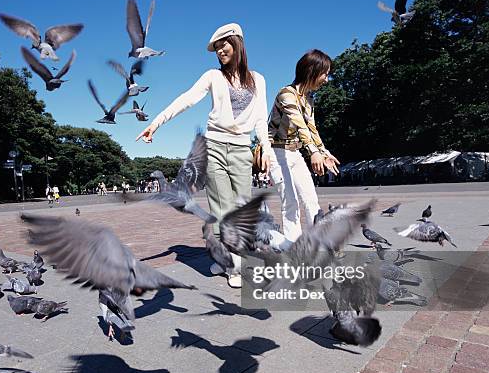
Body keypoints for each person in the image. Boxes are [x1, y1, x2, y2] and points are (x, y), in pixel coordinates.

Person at [136, 23, 273, 288]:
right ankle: (231, 264)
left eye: (225, 44)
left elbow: (260, 119)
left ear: (238, 44)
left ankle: (229, 257)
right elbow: (186, 99)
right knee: (222, 207)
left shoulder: (259, 80)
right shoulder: (213, 76)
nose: (220, 50)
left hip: (242, 149)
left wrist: (265, 149)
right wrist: (156, 122)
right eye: (217, 47)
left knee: (242, 207)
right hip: (215, 146)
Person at [268, 49, 340, 242]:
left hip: (295, 153)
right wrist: (314, 153)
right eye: (325, 73)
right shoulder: (286, 95)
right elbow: (299, 124)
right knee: (290, 203)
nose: (326, 79)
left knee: (311, 200)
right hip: (276, 154)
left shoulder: (308, 99)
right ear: (311, 71)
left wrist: (324, 153)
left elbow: (311, 128)